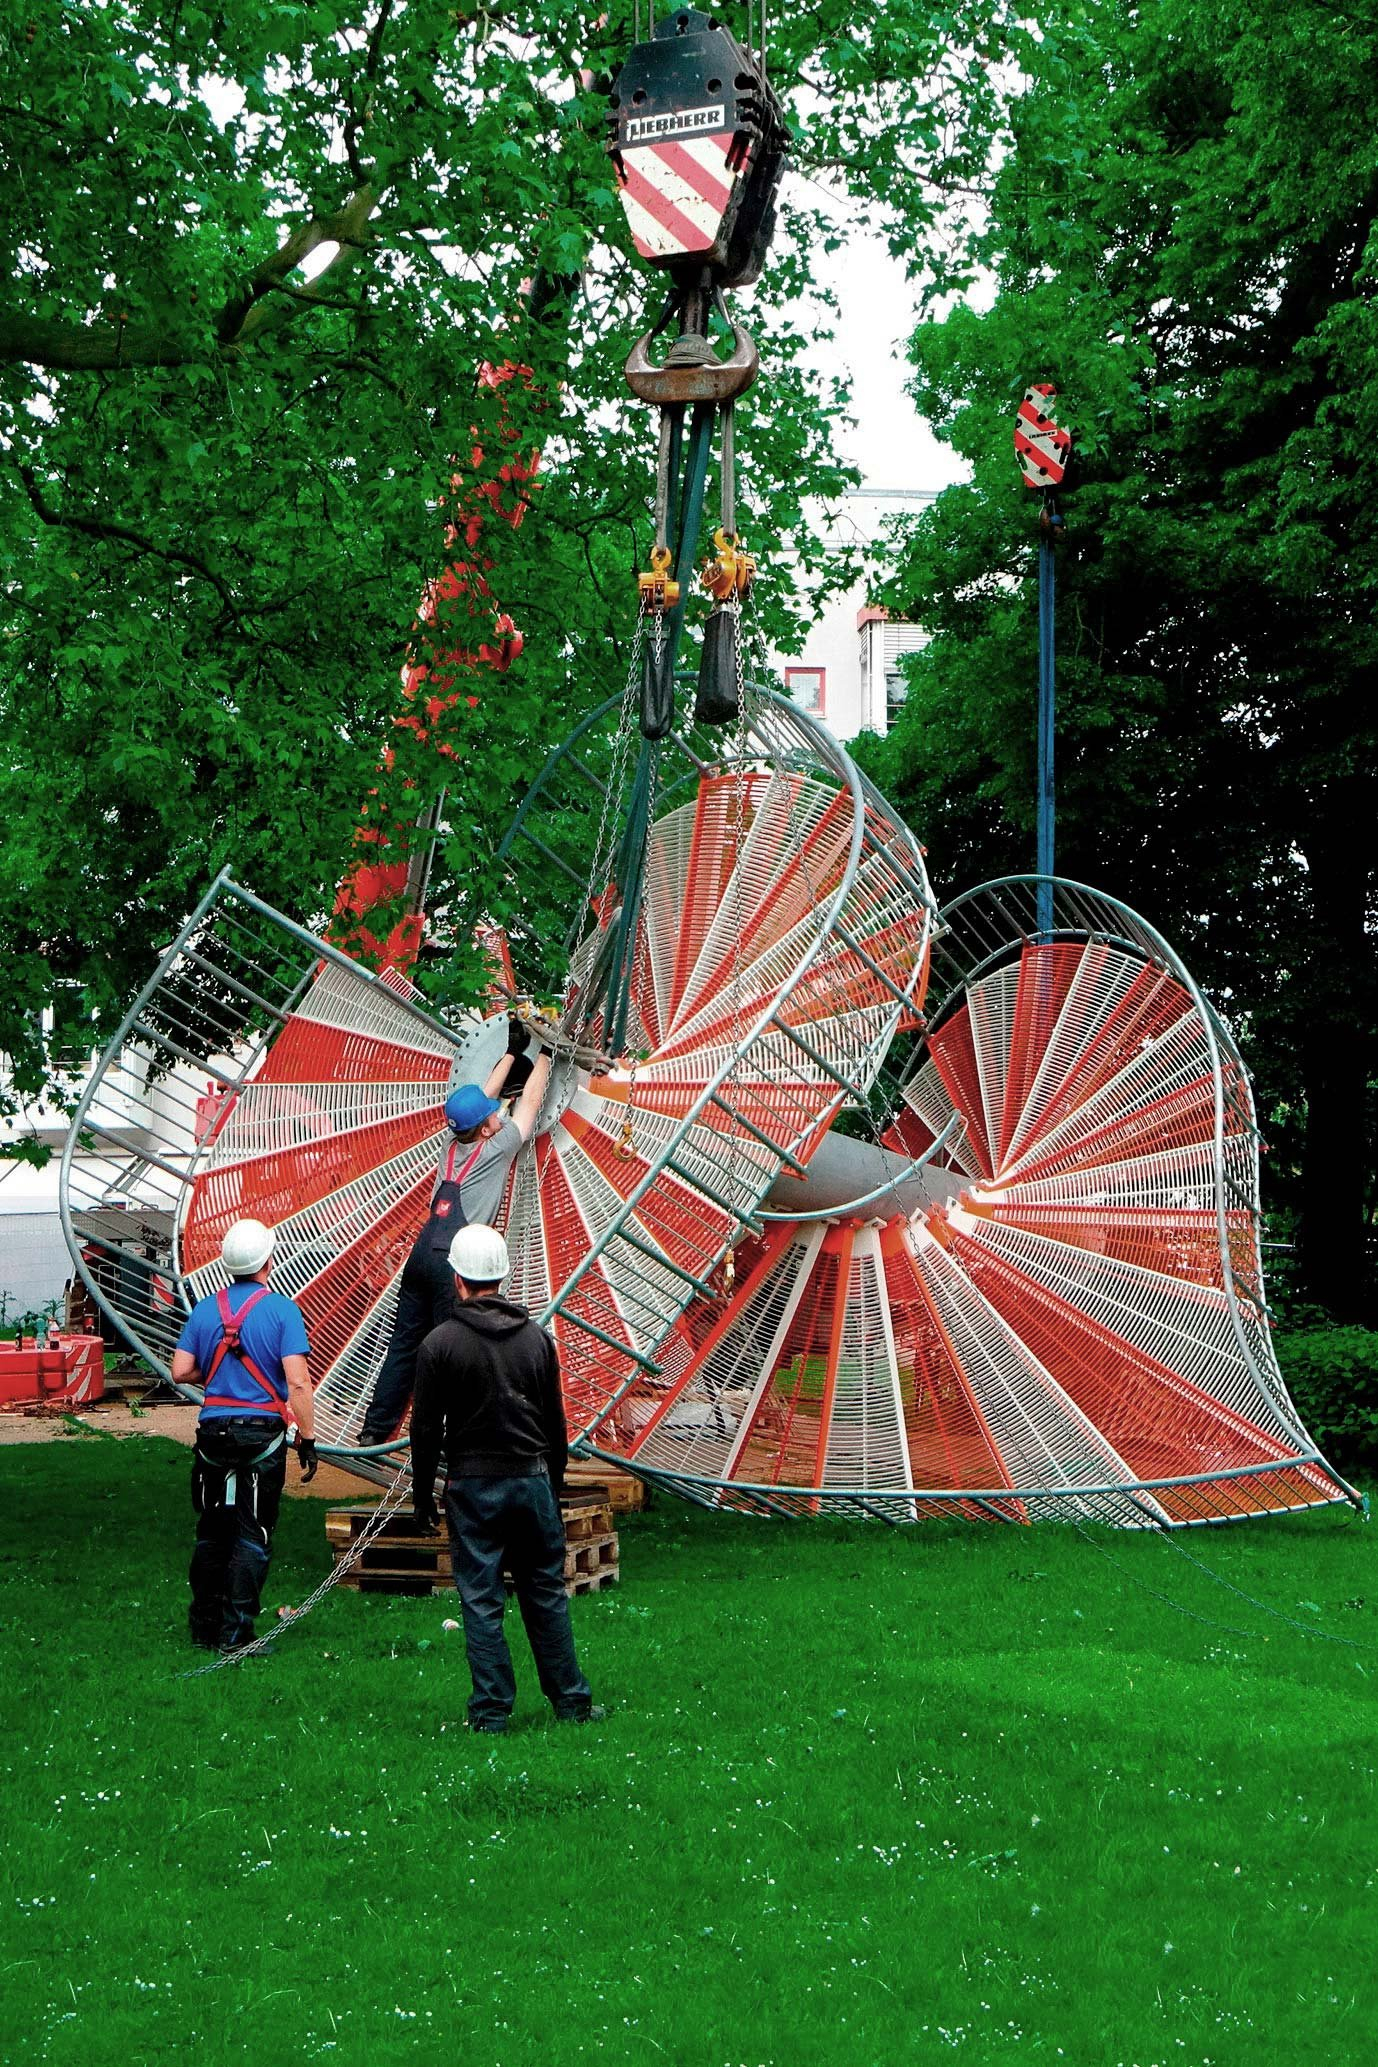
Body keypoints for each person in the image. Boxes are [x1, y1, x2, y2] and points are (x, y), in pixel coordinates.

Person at [411, 1222, 605, 1734]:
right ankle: (572, 1705)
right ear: (503, 1277)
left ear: (457, 1279)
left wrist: (423, 1495)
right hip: (532, 1480)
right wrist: (553, 1484)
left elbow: (426, 1429)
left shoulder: (439, 1344)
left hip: (473, 1487)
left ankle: (492, 1714)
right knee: (545, 1593)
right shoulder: (537, 1340)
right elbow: (555, 1425)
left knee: (480, 1599)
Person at [358, 1021, 550, 1446]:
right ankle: (451, 1441)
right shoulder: (499, 1147)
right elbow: (532, 1103)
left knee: (406, 1345)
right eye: (492, 1117)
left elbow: (479, 1102)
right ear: (484, 1129)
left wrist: (508, 1054)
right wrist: (545, 1056)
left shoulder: (453, 1145)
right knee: (456, 1350)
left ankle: (374, 1432)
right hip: (453, 1264)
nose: (497, 1115)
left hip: (422, 1255)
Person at [171, 1217, 318, 1654]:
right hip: (260, 1437)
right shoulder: (282, 1311)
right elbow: (297, 1384)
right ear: (268, 1261)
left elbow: (181, 1371)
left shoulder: (204, 1309)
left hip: (213, 1433)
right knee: (253, 1533)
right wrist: (306, 1439)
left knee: (213, 1530)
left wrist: (218, 1370)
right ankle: (237, 1635)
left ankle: (204, 1626)